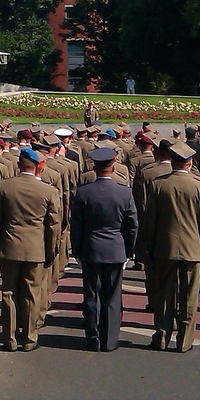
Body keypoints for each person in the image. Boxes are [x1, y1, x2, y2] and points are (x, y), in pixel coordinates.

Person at [142, 141, 200, 352]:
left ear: (171, 161)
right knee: (189, 296)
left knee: (164, 294)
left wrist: (149, 246)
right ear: (190, 163)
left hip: (165, 247)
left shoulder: (158, 184)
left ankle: (162, 336)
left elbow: (150, 221)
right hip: (192, 248)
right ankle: (184, 341)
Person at [0, 148, 60, 352]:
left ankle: (9, 337)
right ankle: (28, 337)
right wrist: (50, 250)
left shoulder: (5, 186)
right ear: (38, 167)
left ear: (19, 165)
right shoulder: (48, 191)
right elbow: (53, 225)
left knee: (8, 293)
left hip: (9, 247)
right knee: (31, 293)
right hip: (35, 250)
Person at [70, 148, 138, 352]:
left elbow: (76, 226)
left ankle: (93, 338)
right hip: (116, 248)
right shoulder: (124, 192)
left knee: (92, 296)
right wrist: (128, 250)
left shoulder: (83, 192)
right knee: (112, 296)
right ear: (114, 166)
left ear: (93, 167)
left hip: (91, 249)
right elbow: (132, 225)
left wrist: (77, 251)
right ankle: (109, 340)